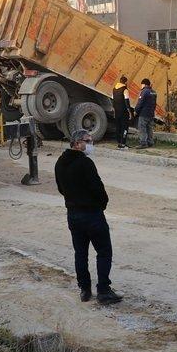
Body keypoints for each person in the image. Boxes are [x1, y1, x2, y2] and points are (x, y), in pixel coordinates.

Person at [54, 129, 122, 304]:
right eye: (88, 141)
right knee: (104, 251)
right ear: (77, 144)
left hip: (73, 215)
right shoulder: (85, 163)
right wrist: (102, 204)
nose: (91, 145)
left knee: (80, 253)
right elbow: (98, 188)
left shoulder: (60, 163)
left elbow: (61, 189)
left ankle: (84, 290)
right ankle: (104, 290)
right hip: (92, 214)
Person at [134, 78, 156, 148]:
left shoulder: (144, 91)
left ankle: (143, 143)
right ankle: (150, 142)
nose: (141, 86)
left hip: (143, 114)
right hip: (151, 113)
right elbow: (154, 104)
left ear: (144, 84)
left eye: (142, 84)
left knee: (142, 128)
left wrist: (136, 110)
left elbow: (140, 102)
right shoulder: (154, 92)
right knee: (149, 128)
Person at [112, 75, 131, 150]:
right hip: (123, 112)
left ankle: (119, 143)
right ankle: (123, 144)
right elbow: (127, 102)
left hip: (117, 111)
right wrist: (129, 112)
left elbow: (113, 100)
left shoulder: (114, 89)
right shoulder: (125, 90)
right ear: (125, 82)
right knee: (124, 127)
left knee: (118, 127)